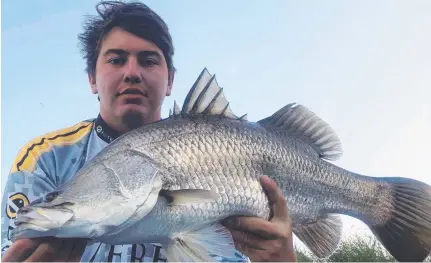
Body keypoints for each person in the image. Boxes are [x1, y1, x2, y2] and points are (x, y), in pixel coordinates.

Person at [1, 1, 297, 262]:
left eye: (149, 60)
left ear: (170, 82)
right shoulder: (45, 158)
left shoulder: (224, 148)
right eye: (116, 59)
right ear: (92, 78)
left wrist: (282, 260)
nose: (132, 72)